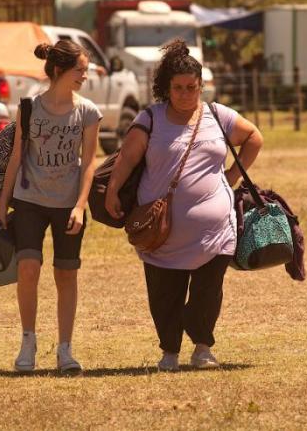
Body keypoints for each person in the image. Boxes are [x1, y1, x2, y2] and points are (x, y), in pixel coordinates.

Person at [104, 39, 263, 372]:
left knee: (208, 291)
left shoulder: (218, 116)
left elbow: (254, 138)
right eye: (178, 88)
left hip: (216, 230)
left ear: (201, 86)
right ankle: (170, 351)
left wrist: (230, 178)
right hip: (160, 232)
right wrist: (113, 190)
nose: (185, 94)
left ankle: (203, 347)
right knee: (165, 294)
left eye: (192, 87)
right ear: (167, 87)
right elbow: (127, 159)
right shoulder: (150, 119)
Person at [0, 40, 102, 373]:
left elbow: (89, 164)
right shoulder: (28, 108)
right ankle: (28, 342)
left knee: (66, 274)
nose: (84, 76)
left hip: (68, 204)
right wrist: (2, 206)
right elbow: (16, 158)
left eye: (85, 70)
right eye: (79, 70)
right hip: (29, 201)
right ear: (59, 71)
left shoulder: (88, 111)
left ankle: (65, 350)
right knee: (28, 270)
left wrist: (81, 206)